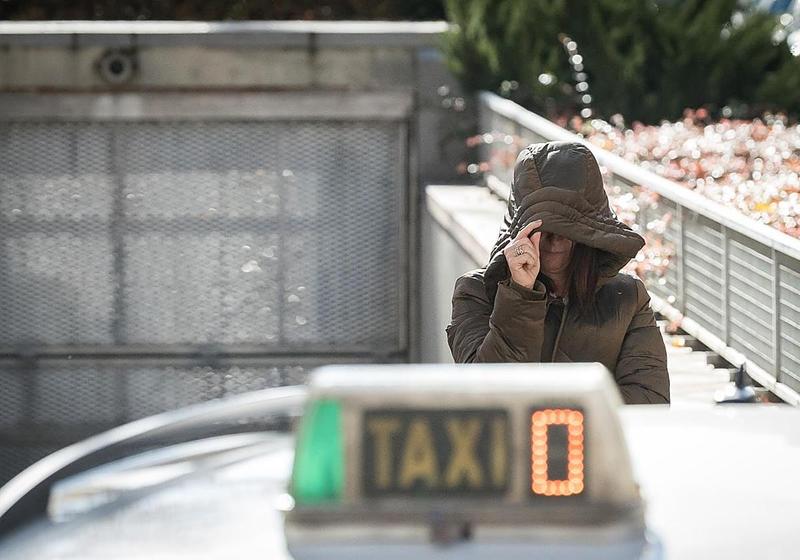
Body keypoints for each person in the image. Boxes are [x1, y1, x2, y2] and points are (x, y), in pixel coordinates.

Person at [446, 140, 670, 404]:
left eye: (568, 229)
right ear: (521, 231)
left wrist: (551, 416)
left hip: (594, 446)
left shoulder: (627, 298)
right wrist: (520, 293)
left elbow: (650, 401)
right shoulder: (476, 292)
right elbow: (490, 393)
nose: (554, 240)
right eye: (542, 228)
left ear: (589, 233)